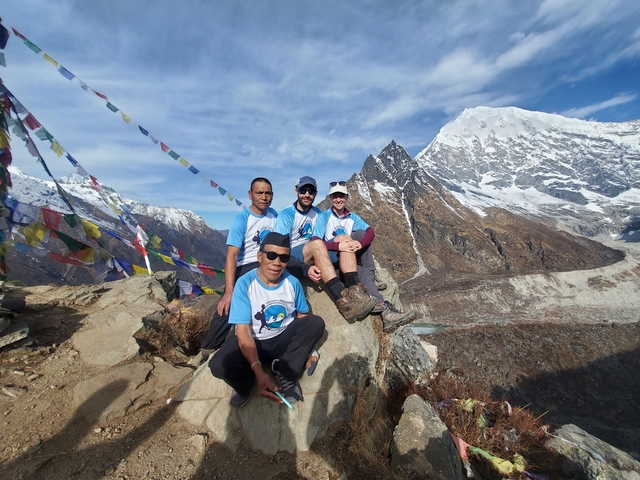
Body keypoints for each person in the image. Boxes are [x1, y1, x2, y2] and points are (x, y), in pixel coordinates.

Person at [194, 177, 317, 366]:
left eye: (268, 193)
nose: (264, 197)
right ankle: (208, 348)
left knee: (289, 269)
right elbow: (232, 256)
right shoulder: (242, 219)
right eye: (259, 193)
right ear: (250, 195)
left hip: (270, 257)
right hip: (248, 264)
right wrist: (229, 290)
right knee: (229, 303)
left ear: (272, 196)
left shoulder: (274, 215)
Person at [209, 232, 325, 407]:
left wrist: (305, 347)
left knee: (315, 323)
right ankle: (245, 383)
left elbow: (302, 316)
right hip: (255, 341)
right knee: (218, 365)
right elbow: (243, 331)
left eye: (284, 258)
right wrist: (258, 371)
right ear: (259, 256)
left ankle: (284, 371)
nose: (277, 262)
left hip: (283, 337)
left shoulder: (292, 283)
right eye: (271, 255)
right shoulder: (244, 283)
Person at [312, 181, 416, 331]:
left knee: (361, 234)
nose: (338, 199)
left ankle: (370, 277)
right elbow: (316, 241)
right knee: (363, 272)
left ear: (346, 197)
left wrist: (359, 244)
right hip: (333, 262)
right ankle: (384, 309)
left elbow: (370, 232)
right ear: (330, 198)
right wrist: (338, 245)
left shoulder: (352, 216)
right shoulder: (324, 217)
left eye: (341, 195)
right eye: (335, 196)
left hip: (349, 261)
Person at [274, 176, 376, 323]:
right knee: (317, 244)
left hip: (318, 250)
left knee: (343, 237)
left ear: (316, 193)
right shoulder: (286, 215)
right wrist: (303, 268)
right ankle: (342, 300)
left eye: (311, 191)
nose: (307, 194)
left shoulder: (317, 213)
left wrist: (341, 244)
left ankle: (355, 292)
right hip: (296, 255)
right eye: (303, 190)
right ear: (296, 191)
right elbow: (281, 249)